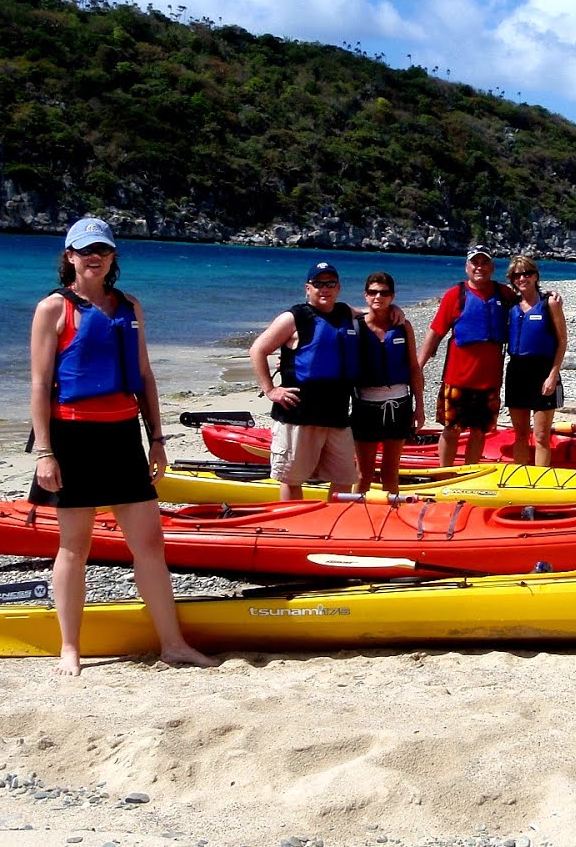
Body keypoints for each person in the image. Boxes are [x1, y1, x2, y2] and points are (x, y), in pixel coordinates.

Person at [29, 217, 217, 676]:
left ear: (112, 257)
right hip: (73, 436)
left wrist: (157, 439)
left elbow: (145, 377)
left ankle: (172, 643)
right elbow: (38, 383)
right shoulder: (53, 309)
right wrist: (44, 453)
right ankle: (69, 646)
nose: (94, 256)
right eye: (85, 249)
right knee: (75, 545)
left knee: (150, 543)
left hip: (122, 435)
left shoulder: (129, 306)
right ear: (69, 256)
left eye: (103, 250)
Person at [248, 261, 360, 500]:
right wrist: (270, 389)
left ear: (338, 288)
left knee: (344, 478)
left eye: (330, 284)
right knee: (292, 478)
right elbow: (258, 349)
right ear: (308, 288)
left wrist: (395, 312)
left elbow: (373, 314)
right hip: (298, 414)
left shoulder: (344, 313)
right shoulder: (294, 317)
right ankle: (292, 527)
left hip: (337, 415)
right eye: (318, 284)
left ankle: (334, 528)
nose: (324, 289)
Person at [417, 245, 517, 466]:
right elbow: (435, 332)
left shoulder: (505, 294)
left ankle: (468, 472)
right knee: (451, 430)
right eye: (475, 263)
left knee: (480, 432)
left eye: (484, 263)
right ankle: (445, 474)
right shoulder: (455, 295)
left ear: (491, 267)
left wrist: (549, 300)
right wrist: (418, 367)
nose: (479, 267)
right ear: (467, 267)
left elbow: (529, 304)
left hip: (490, 381)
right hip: (457, 379)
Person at [352, 271, 427, 494]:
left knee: (390, 472)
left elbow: (414, 367)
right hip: (366, 405)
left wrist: (420, 407)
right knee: (363, 473)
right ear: (365, 295)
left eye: (384, 293)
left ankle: (391, 514)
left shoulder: (404, 327)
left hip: (399, 405)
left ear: (392, 296)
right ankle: (355, 515)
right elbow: (330, 312)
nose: (378, 297)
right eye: (373, 292)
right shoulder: (356, 327)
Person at [503, 256, 568, 466]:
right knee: (520, 435)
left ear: (535, 276)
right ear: (512, 279)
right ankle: (521, 478)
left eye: (527, 273)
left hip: (543, 371)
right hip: (516, 372)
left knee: (541, 436)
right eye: (517, 274)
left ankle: (540, 482)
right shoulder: (510, 305)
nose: (523, 278)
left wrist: (552, 376)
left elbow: (562, 340)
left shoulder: (549, 303)